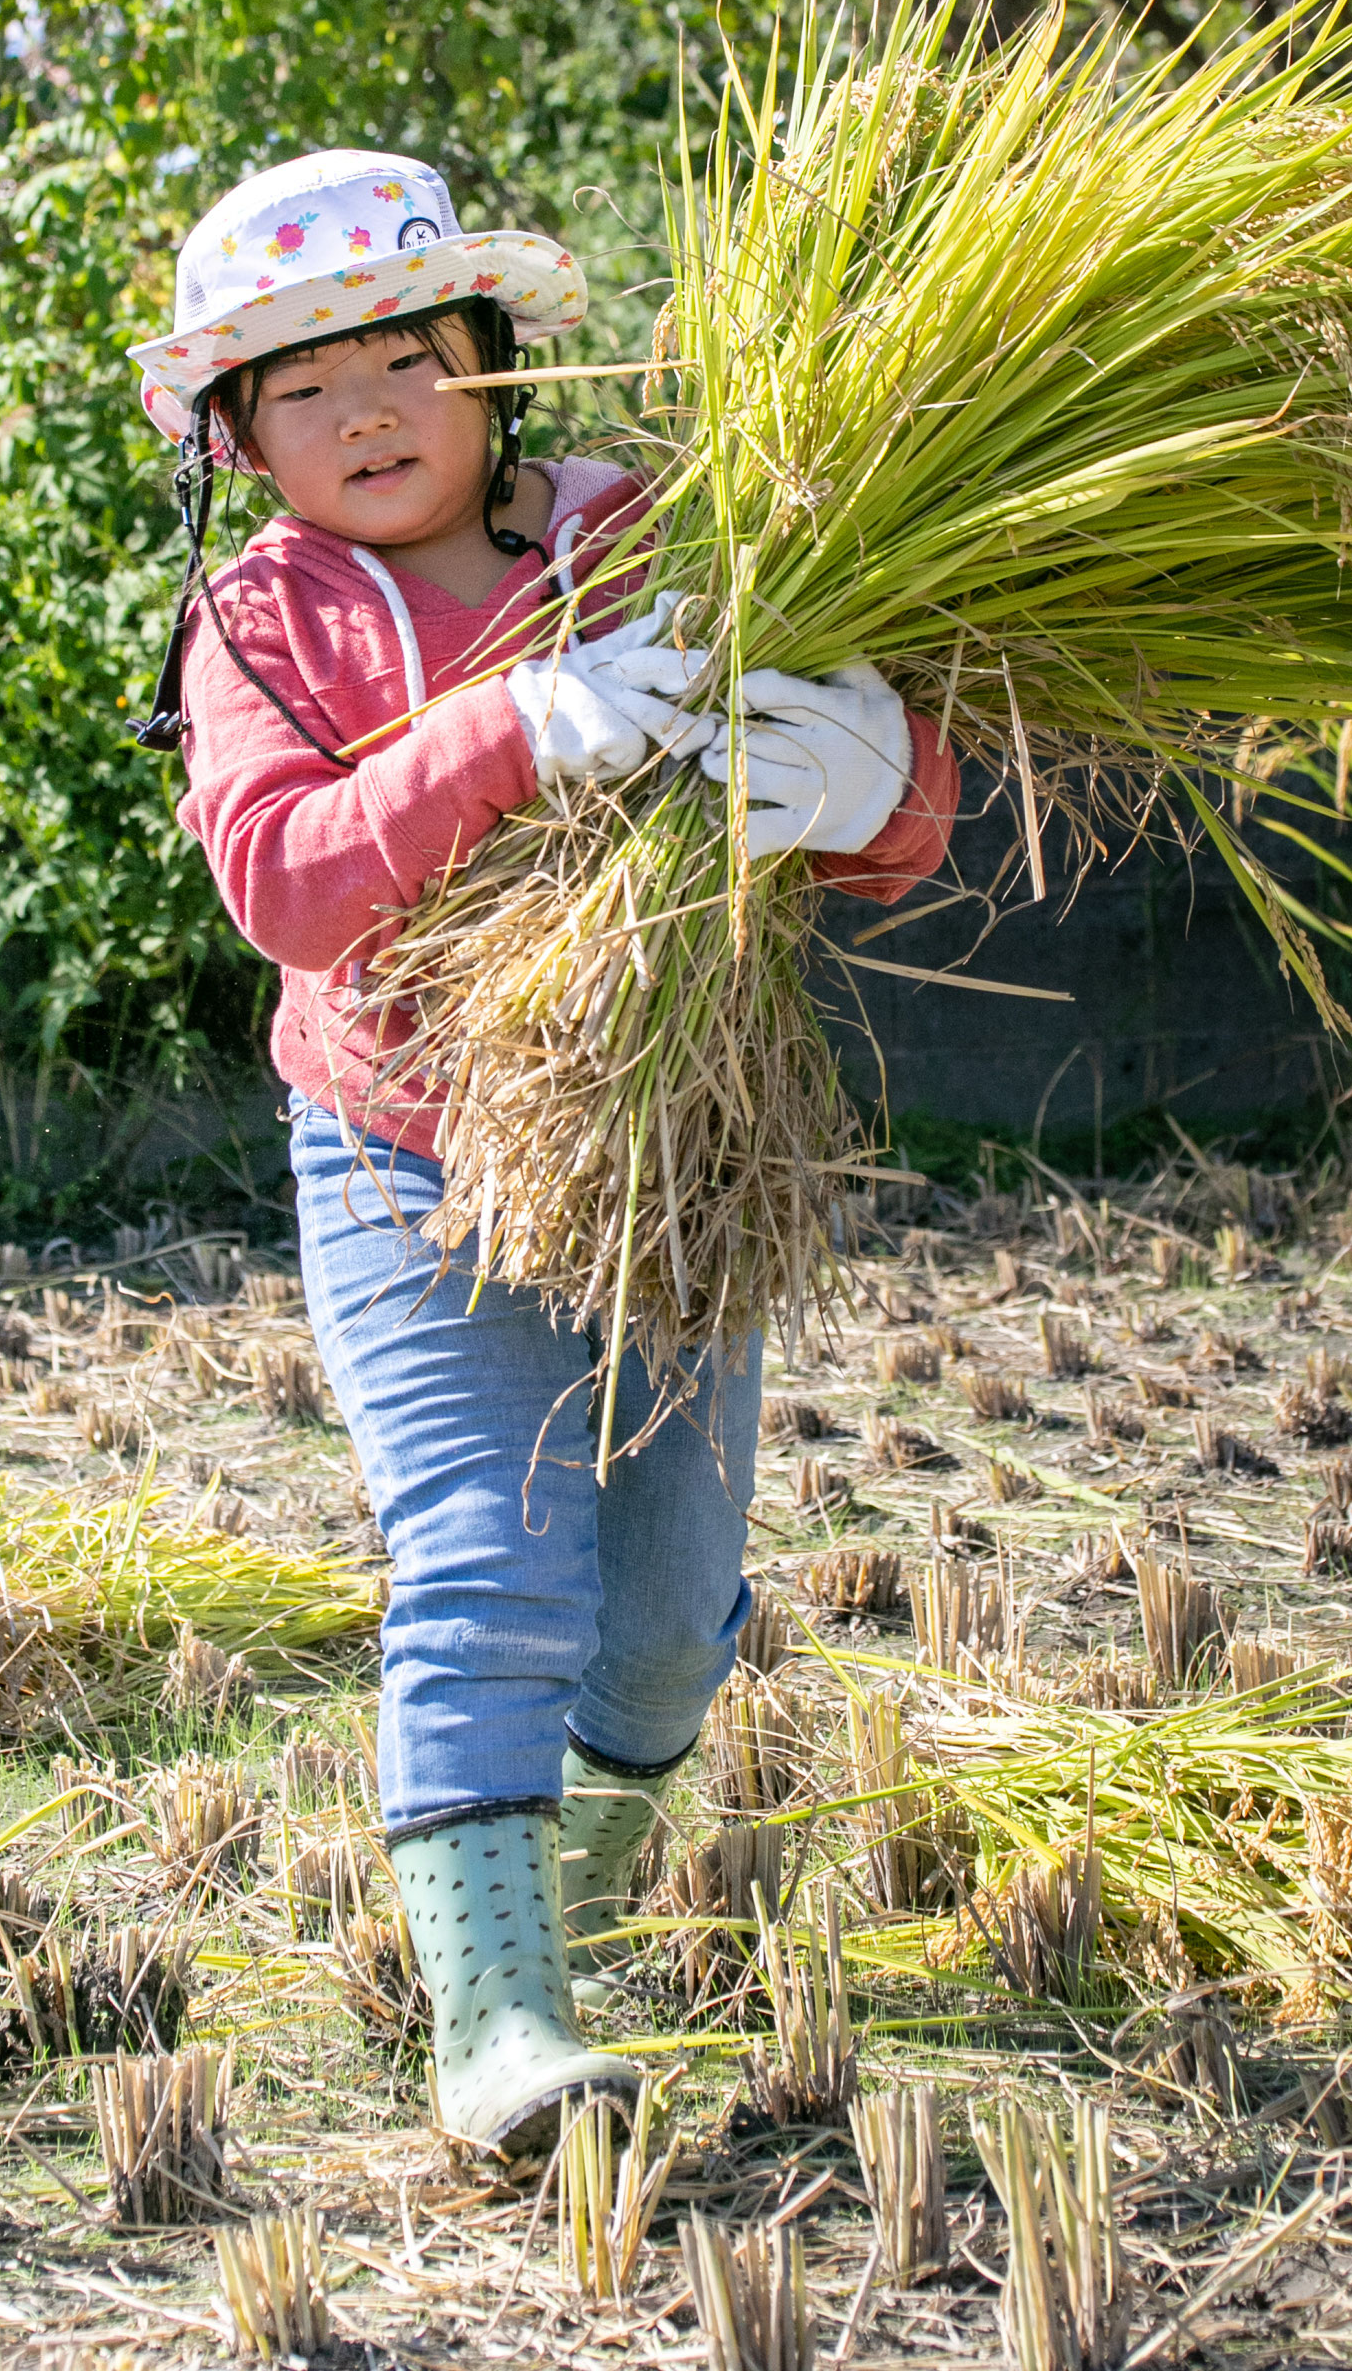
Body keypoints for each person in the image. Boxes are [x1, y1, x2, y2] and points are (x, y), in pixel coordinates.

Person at [131, 147, 959, 2154]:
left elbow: (896, 836)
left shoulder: (654, 538)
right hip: (404, 1149)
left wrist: (862, 781)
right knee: (484, 1566)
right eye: (302, 385)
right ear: (238, 437)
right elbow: (285, 887)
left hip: (670, 1148)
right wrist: (518, 731)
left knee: (669, 1627)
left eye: (409, 357)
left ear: (496, 366)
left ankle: (545, 1914)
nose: (364, 413)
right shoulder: (257, 623)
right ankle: (495, 2029)